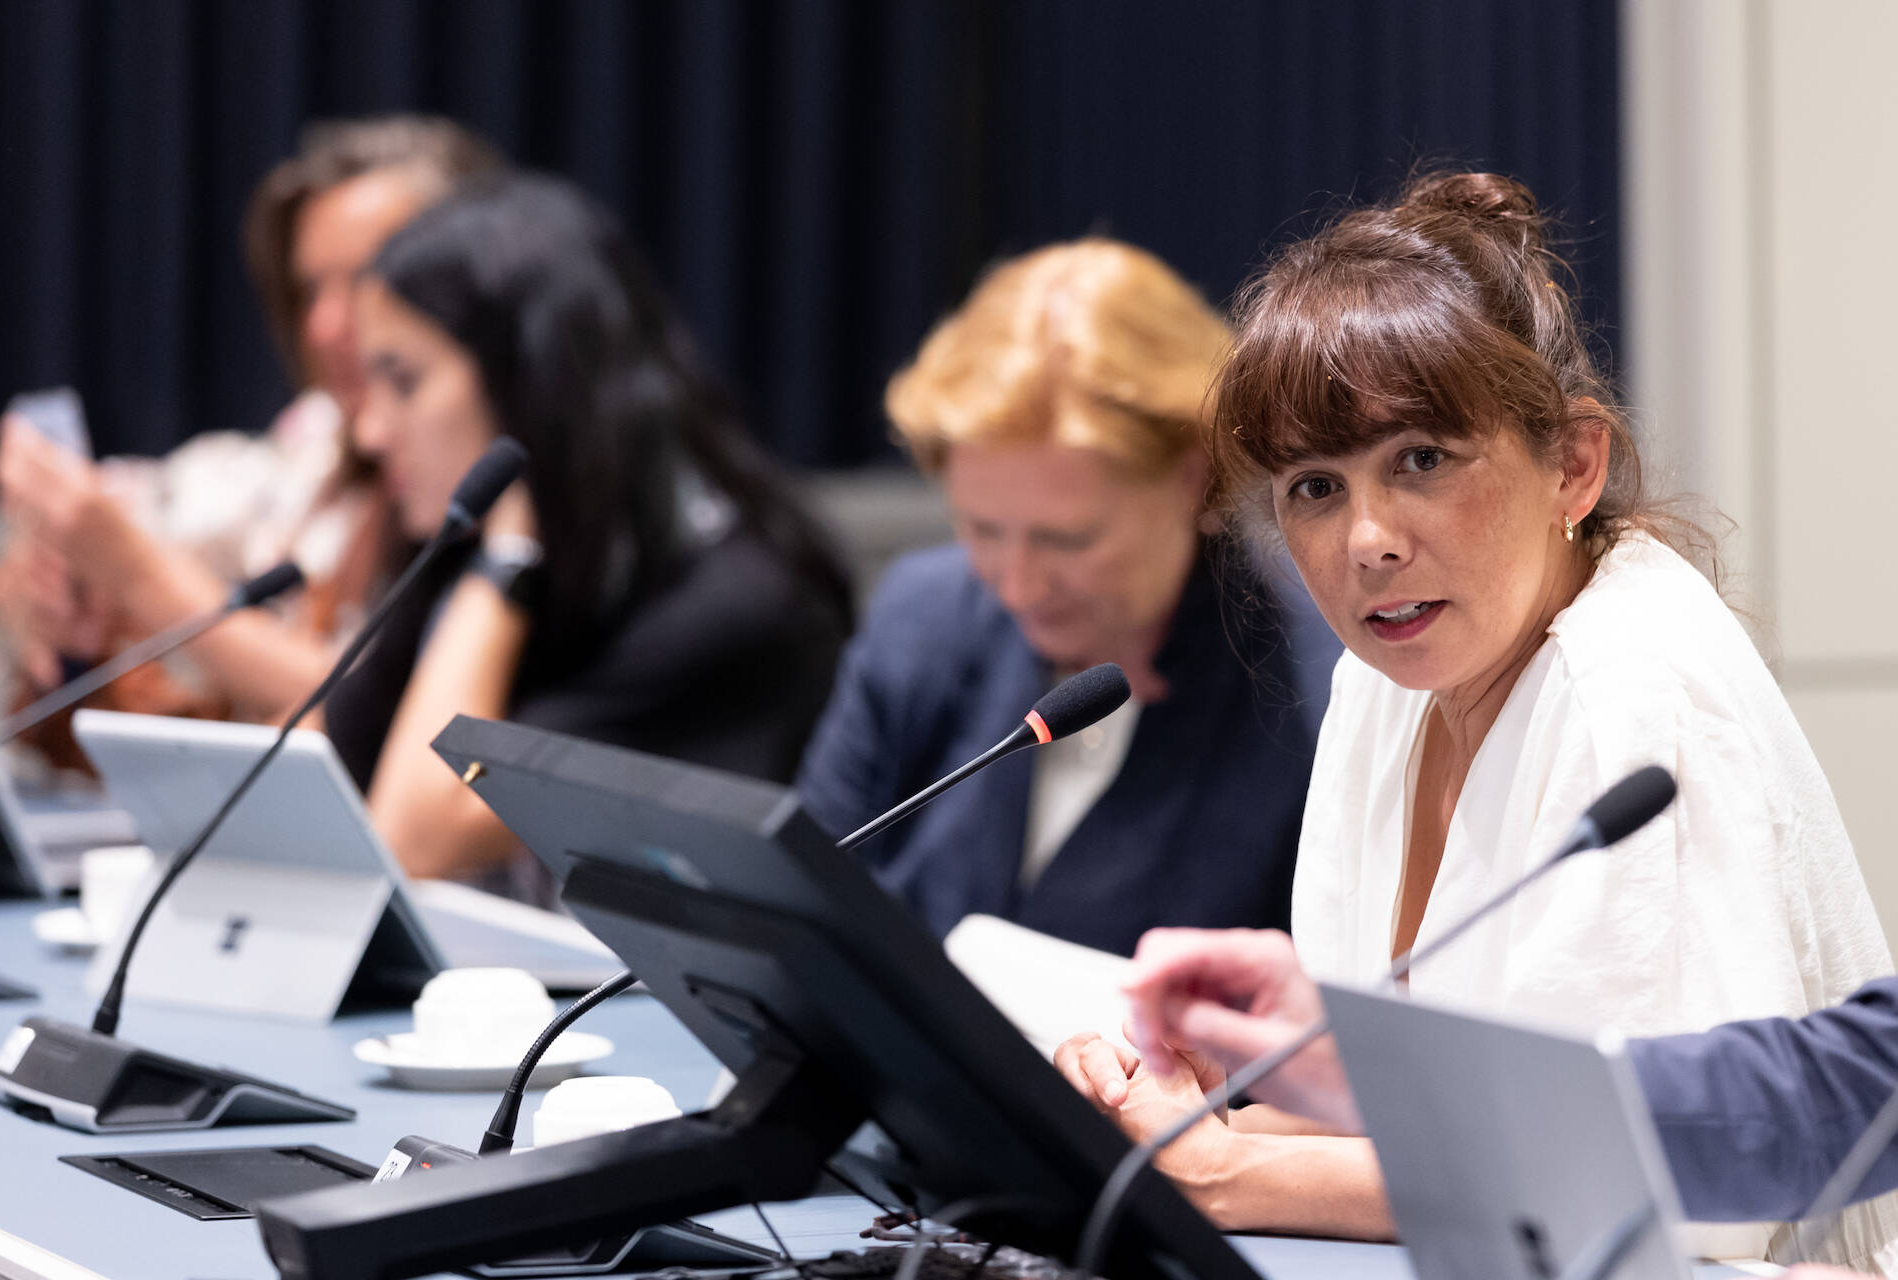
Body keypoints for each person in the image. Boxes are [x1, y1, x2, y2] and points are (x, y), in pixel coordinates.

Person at [1053, 172, 1898, 1272]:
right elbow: (1438, 1125)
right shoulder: (1389, 674)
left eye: (1421, 460)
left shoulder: (1633, 693)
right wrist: (1188, 1113)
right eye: (1315, 487)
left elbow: (1655, 1200)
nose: (1368, 540)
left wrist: (1224, 1170)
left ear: (1573, 466)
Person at [794, 239, 1337, 957]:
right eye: (983, 529)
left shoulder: (1317, 681)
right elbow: (798, 909)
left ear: (1193, 478)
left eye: (1067, 540)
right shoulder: (921, 619)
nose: (1018, 585)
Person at [326, 172, 850, 892]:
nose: (370, 432)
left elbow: (418, 835)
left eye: (405, 381)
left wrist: (504, 567)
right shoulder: (478, 548)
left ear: (528, 386)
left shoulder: (734, 605)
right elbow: (325, 770)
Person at [0, 115, 500, 729]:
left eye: (366, 279)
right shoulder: (314, 442)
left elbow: (418, 729)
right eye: (309, 289)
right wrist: (42, 573)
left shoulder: (509, 496)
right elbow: (131, 510)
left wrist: (136, 574)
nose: (322, 326)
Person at [1087, 926, 1898, 1279]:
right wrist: (1355, 1067)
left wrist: (1226, 1171)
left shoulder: (1628, 699)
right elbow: (1840, 1085)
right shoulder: (1371, 695)